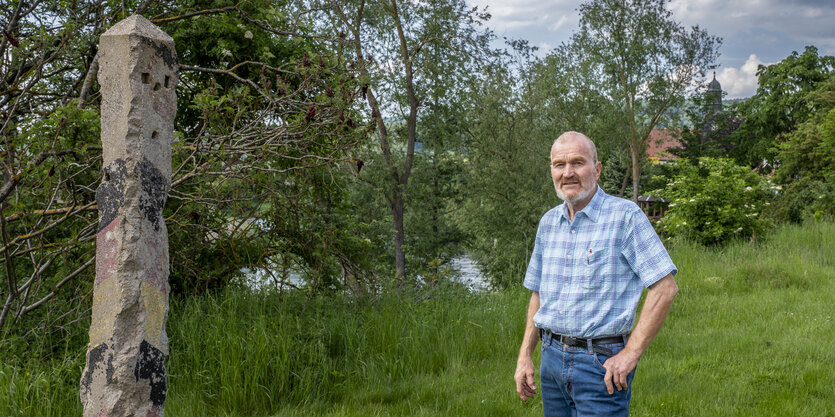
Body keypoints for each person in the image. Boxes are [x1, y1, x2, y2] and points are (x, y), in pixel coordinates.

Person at [514, 131, 679, 416]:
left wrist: (630, 354)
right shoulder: (549, 223)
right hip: (551, 359)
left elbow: (665, 288)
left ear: (597, 169)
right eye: (559, 165)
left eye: (577, 163)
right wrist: (525, 356)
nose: (568, 173)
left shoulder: (625, 217)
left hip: (600, 365)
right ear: (551, 170)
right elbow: (538, 293)